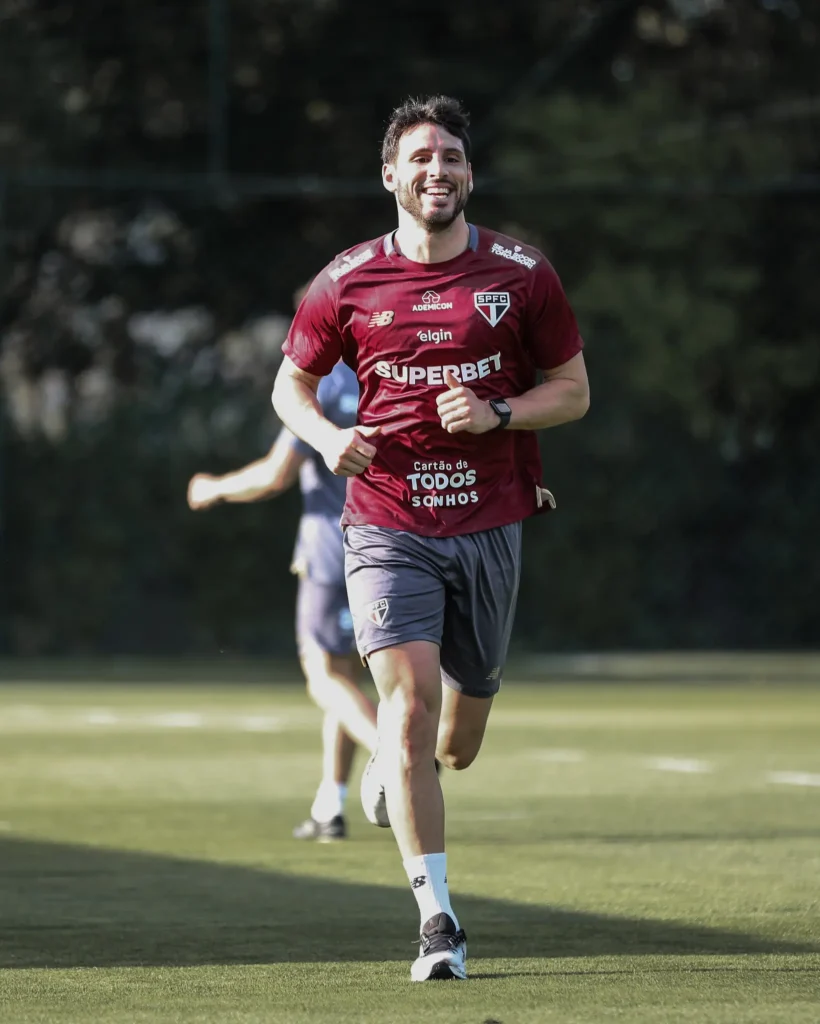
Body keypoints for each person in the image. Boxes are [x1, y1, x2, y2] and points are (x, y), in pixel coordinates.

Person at [271, 94, 589, 980]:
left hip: (489, 523)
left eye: (450, 157)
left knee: (456, 745)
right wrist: (327, 437)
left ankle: (403, 762)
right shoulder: (346, 280)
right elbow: (289, 387)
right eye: (419, 158)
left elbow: (573, 391)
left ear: (469, 175)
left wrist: (499, 412)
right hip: (386, 521)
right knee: (406, 712)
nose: (436, 170)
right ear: (390, 176)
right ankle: (437, 922)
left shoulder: (522, 274)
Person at [187, 355, 379, 841]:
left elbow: (276, 474)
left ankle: (395, 751)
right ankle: (330, 806)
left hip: (332, 551)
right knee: (346, 681)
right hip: (389, 550)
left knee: (323, 676)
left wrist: (215, 488)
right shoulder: (390, 372)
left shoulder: (323, 383)